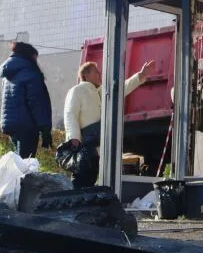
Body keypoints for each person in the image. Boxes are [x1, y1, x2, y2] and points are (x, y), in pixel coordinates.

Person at [63, 60, 157, 189]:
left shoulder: (100, 91)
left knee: (91, 176)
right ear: (86, 75)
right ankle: (75, 202)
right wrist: (73, 137)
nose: (99, 74)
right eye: (96, 71)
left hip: (97, 143)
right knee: (81, 175)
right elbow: (70, 114)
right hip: (83, 142)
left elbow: (122, 89)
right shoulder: (77, 90)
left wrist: (140, 75)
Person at [0, 41, 53, 159]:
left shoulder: (9, 73)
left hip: (11, 124)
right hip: (27, 125)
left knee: (19, 161)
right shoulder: (30, 72)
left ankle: (16, 178)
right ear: (29, 56)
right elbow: (37, 102)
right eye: (35, 57)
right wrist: (45, 129)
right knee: (26, 163)